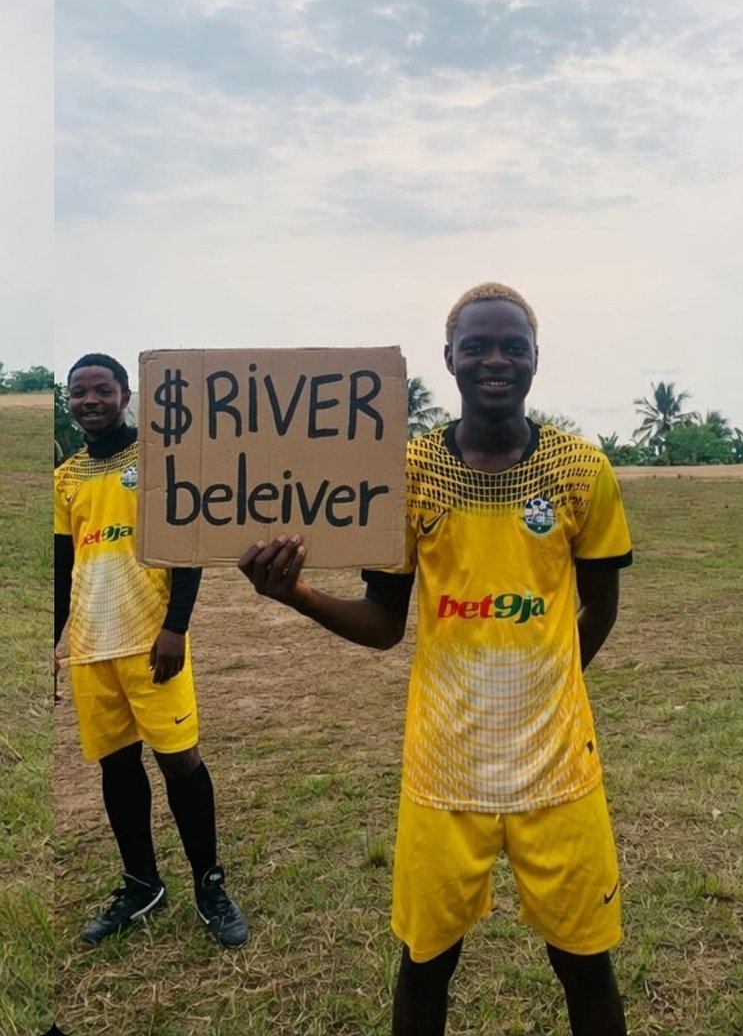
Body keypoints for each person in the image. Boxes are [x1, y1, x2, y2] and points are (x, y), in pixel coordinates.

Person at [239, 283, 633, 1034]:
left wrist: (549, 686)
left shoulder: (583, 470)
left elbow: (600, 608)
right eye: (477, 345)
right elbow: (387, 623)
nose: (496, 360)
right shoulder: (408, 472)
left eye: (513, 346)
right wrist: (295, 596)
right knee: (425, 964)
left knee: (585, 963)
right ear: (448, 358)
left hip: (559, 769)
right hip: (443, 767)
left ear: (536, 360)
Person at [54, 353, 248, 948]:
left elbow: (186, 547)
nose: (90, 400)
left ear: (125, 392)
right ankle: (141, 882)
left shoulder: (160, 459)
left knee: (179, 760)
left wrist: (176, 628)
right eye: (79, 392)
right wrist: (52, 640)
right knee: (116, 763)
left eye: (102, 390)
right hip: (93, 645)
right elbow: (64, 567)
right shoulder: (67, 476)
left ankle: (209, 882)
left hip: (150, 642)